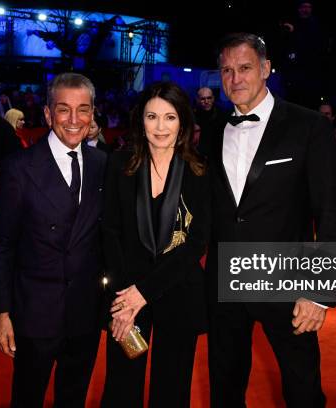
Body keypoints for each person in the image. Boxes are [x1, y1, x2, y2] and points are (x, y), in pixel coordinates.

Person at [202, 33, 336, 407]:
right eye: (227, 70)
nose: (235, 79)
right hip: (225, 283)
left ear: (266, 69)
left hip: (287, 282)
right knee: (225, 385)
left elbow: (330, 212)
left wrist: (318, 291)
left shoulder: (309, 126)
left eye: (245, 68)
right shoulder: (214, 128)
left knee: (302, 388)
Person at [0, 73, 107, 408]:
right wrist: (2, 312)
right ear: (47, 113)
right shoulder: (18, 167)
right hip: (34, 313)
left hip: (84, 312)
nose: (74, 120)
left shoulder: (103, 165)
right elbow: (1, 244)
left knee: (73, 398)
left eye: (83, 110)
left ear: (93, 113)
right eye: (63, 109)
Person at [101, 82, 210, 407]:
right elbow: (110, 233)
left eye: (170, 117)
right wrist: (125, 300)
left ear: (183, 123)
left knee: (172, 391)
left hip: (178, 293)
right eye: (152, 117)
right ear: (141, 121)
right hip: (125, 297)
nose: (160, 127)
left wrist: (143, 293)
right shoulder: (120, 165)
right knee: (122, 387)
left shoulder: (200, 171)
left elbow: (196, 243)